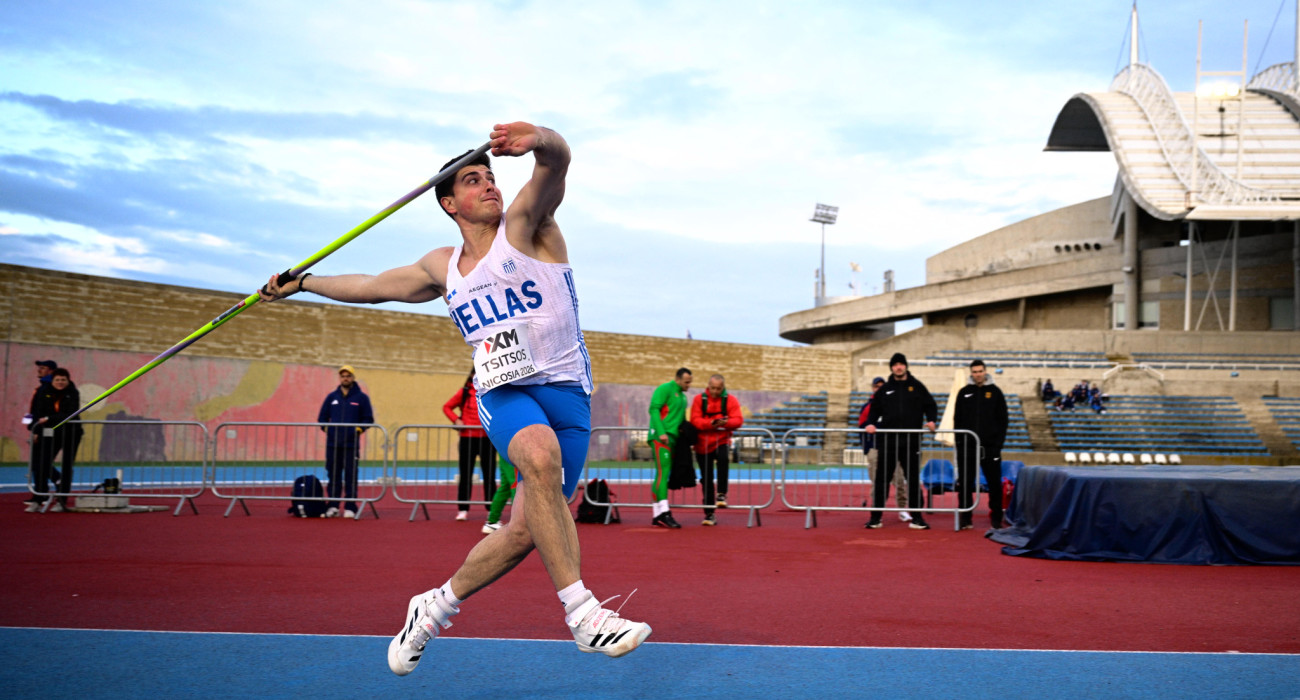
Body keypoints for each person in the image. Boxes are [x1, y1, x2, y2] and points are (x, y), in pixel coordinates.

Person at [260, 122, 651, 671]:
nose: (489, 184)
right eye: (473, 180)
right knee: (538, 458)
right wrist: (303, 283)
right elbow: (371, 287)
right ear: (448, 202)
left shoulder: (527, 226)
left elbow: (557, 162)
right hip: (504, 391)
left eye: (491, 175)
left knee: (526, 530)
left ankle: (433, 606)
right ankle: (583, 615)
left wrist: (538, 137)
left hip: (569, 394)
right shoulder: (440, 268)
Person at [863, 353, 937, 530]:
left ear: (905, 366)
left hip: (911, 442)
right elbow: (874, 410)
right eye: (895, 364)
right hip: (888, 442)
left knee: (912, 480)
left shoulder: (917, 386)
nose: (898, 367)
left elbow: (930, 405)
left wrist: (932, 420)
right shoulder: (884, 389)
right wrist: (871, 423)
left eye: (901, 364)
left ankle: (917, 518)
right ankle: (875, 518)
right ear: (891, 368)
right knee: (882, 480)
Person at [952, 360, 1008, 530]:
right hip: (967, 448)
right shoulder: (963, 393)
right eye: (975, 372)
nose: (978, 374)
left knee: (994, 484)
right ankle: (965, 518)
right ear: (971, 373)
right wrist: (960, 443)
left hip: (990, 448)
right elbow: (957, 419)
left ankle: (996, 518)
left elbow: (1003, 420)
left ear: (985, 372)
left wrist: (997, 444)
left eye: (980, 371)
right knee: (965, 483)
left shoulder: (996, 393)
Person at [318, 365, 374, 518]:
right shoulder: (332, 397)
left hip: (351, 445)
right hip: (333, 445)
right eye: (343, 376)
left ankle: (350, 506)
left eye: (348, 375)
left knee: (350, 476)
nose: (345, 378)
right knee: (333, 475)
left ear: (353, 377)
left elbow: (368, 419)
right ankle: (333, 505)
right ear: (340, 378)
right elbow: (322, 418)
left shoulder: (362, 398)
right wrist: (329, 430)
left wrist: (357, 430)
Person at [443, 368, 497, 522]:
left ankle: (490, 508)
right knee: (465, 474)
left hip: (487, 439)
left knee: (489, 474)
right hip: (467, 438)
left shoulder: (491, 392)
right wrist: (456, 420)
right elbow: (447, 407)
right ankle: (463, 509)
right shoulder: (465, 392)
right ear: (472, 376)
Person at [689, 374, 743, 526]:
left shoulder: (730, 400)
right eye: (713, 388)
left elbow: (738, 419)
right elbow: (695, 420)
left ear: (723, 387)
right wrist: (711, 424)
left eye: (719, 389)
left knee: (724, 458)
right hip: (703, 444)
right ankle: (709, 514)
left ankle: (721, 493)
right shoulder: (699, 400)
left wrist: (725, 423)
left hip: (721, 440)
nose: (715, 391)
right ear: (708, 386)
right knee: (706, 480)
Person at [28, 368, 83, 512]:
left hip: (71, 433)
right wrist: (36, 431)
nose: (60, 383)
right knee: (41, 464)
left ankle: (62, 500)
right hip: (50, 432)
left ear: (68, 380)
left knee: (67, 465)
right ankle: (38, 498)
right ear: (52, 380)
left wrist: (49, 419)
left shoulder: (73, 393)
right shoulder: (44, 392)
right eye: (57, 380)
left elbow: (70, 413)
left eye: (63, 380)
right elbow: (38, 413)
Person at [857, 376, 912, 522]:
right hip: (875, 450)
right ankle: (876, 512)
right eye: (876, 386)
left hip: (893, 449)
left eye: (882, 386)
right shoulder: (867, 407)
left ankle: (902, 509)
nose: (879, 388)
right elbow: (861, 428)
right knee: (878, 483)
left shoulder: (893, 404)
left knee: (899, 480)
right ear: (873, 388)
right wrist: (867, 450)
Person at [648, 367, 691, 529]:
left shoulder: (683, 397)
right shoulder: (664, 389)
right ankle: (664, 513)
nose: (689, 385)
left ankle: (657, 513)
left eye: (690, 382)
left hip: (673, 439)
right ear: (678, 379)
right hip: (661, 438)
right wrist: (661, 432)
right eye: (686, 382)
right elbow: (653, 409)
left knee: (661, 474)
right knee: (663, 473)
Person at [482, 454, 517, 535]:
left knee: (505, 487)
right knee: (516, 486)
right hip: (513, 454)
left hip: (505, 453)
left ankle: (492, 521)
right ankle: (518, 522)